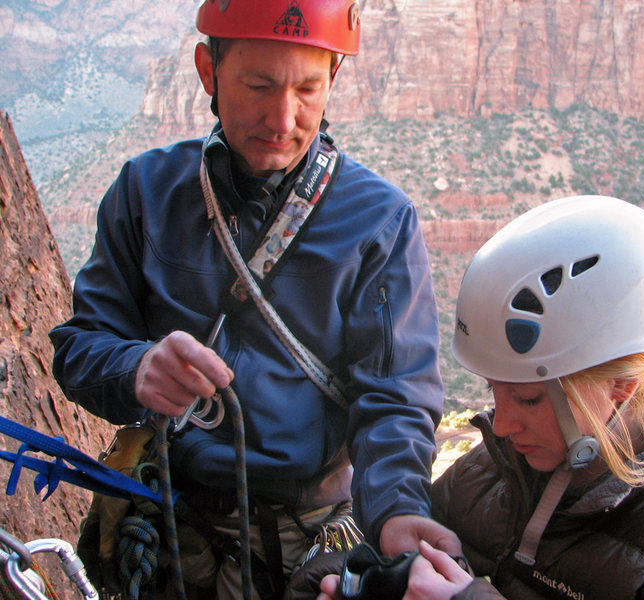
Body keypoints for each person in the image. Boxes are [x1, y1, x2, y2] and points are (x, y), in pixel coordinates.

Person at [49, 1, 460, 598]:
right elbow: (79, 347)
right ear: (208, 73)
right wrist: (135, 368)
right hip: (167, 519)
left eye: (308, 89)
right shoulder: (147, 191)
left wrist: (396, 508)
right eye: (259, 85)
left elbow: (395, 396)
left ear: (334, 81)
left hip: (300, 544)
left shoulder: (378, 221)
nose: (283, 117)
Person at [315, 195, 644, 599]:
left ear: (622, 387)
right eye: (495, 391)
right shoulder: (493, 470)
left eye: (529, 400)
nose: (500, 426)